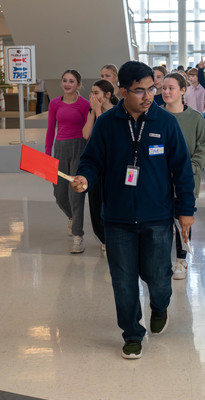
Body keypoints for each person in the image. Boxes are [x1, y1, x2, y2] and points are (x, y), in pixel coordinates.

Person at [71, 61, 195, 360]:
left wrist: (186, 209)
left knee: (158, 277)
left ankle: (160, 305)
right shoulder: (107, 124)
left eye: (151, 88)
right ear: (123, 91)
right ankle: (131, 332)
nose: (149, 96)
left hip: (157, 217)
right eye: (140, 91)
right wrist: (85, 177)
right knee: (123, 280)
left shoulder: (166, 123)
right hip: (117, 218)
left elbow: (182, 170)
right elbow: (92, 161)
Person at [161, 72, 205, 280]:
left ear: (183, 91)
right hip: (161, 180)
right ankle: (161, 260)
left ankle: (181, 260)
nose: (166, 92)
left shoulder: (195, 118)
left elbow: (204, 145)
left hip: (187, 179)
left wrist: (191, 167)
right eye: (163, 88)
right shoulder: (155, 115)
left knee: (184, 219)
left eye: (171, 88)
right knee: (162, 221)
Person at [45, 69, 91, 254]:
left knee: (76, 194)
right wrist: (48, 153)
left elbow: (88, 131)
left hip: (79, 148)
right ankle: (72, 217)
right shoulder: (55, 103)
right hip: (60, 148)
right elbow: (50, 129)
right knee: (59, 193)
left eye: (71, 81)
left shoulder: (84, 104)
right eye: (64, 80)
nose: (67, 84)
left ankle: (78, 236)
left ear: (78, 84)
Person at [82, 79, 119, 254]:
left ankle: (113, 237)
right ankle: (103, 237)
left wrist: (97, 110)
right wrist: (93, 111)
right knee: (95, 202)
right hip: (96, 165)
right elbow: (87, 134)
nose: (92, 96)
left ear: (108, 95)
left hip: (113, 165)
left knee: (111, 200)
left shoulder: (117, 112)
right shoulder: (93, 111)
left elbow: (107, 135)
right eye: (91, 92)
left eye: (96, 93)